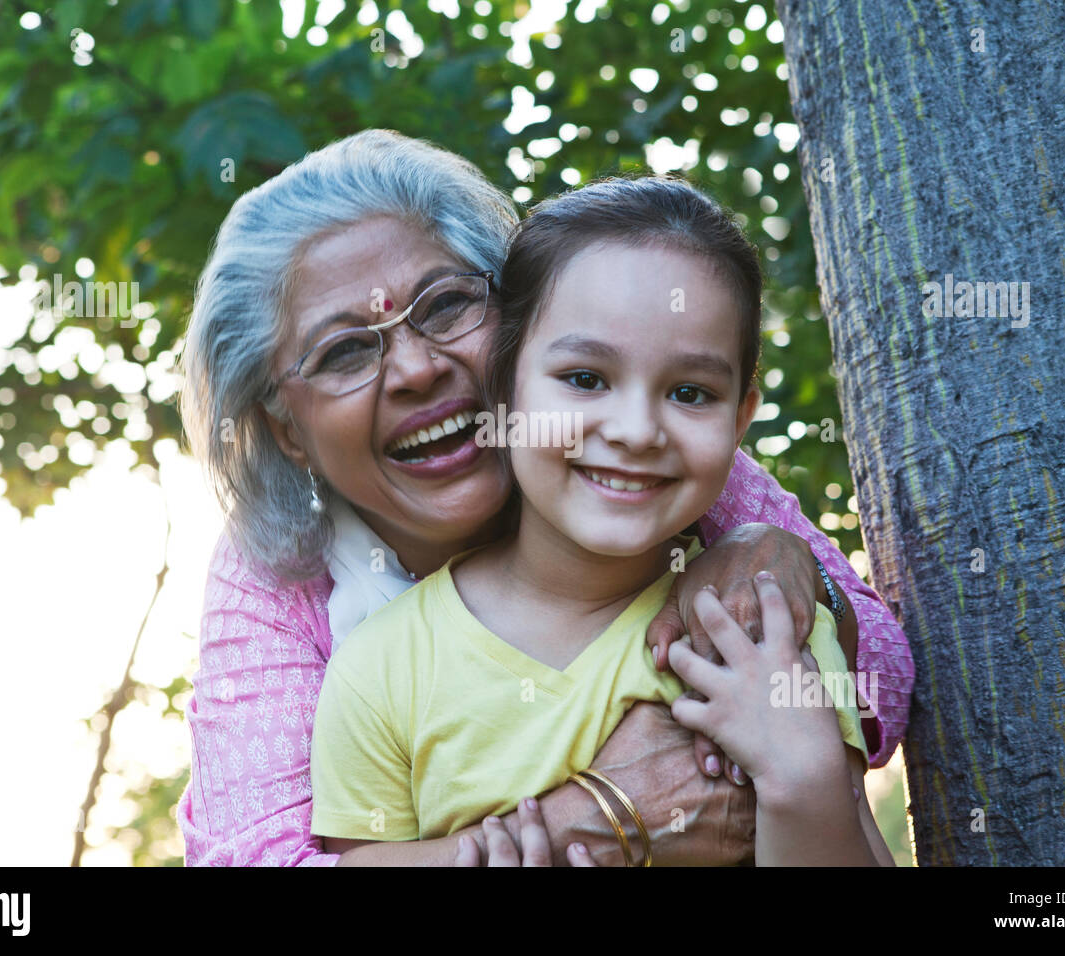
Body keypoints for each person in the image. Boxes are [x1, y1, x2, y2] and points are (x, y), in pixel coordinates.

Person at [176, 129, 914, 866]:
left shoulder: (642, 446)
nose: (416, 368)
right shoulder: (300, 601)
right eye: (343, 352)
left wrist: (777, 568)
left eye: (443, 307)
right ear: (288, 432)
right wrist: (599, 818)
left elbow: (886, 673)